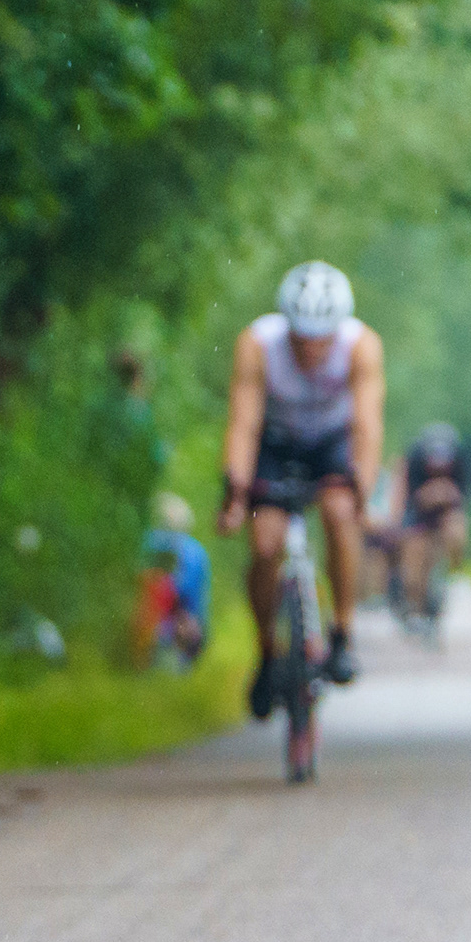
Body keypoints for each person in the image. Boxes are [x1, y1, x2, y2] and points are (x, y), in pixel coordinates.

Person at [215, 261, 385, 718]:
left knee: (339, 513)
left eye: (320, 337)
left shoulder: (361, 345)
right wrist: (235, 492)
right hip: (276, 442)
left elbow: (367, 425)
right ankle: (267, 653)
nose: (310, 347)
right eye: (300, 336)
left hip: (332, 441)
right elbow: (244, 423)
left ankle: (342, 633)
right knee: (264, 543)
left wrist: (363, 490)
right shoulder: (258, 344)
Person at [394, 422, 471, 620]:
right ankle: (413, 604)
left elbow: (463, 497)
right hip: (417, 517)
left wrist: (446, 494)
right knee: (414, 564)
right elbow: (407, 499)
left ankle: (455, 573)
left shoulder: (461, 462)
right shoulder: (415, 461)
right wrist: (428, 496)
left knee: (457, 529)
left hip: (446, 515)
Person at [140, 493, 209, 666]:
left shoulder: (194, 555)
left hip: (171, 622)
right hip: (155, 618)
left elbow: (194, 608)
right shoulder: (149, 545)